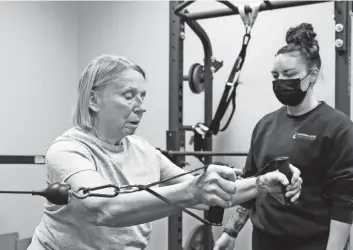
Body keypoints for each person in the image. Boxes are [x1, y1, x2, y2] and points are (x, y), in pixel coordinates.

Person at [26, 54, 303, 250]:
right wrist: (193, 191)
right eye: (128, 95)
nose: (141, 105)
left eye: (143, 96)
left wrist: (261, 184)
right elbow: (102, 207)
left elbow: (212, 197)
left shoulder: (144, 152)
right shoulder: (67, 150)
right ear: (94, 100)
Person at [214, 23, 353, 250]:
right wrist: (231, 231)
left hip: (312, 243)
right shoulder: (264, 126)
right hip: (264, 242)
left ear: (312, 75)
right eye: (275, 76)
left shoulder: (339, 128)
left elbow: (345, 201)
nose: (280, 82)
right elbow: (251, 183)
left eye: (289, 74)